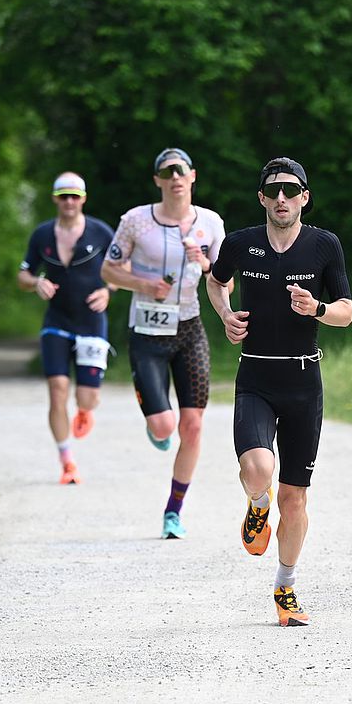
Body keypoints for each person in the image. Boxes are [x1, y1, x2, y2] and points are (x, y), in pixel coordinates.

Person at [207, 156, 352, 626]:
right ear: (263, 199)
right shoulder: (241, 244)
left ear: (305, 197)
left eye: (291, 190)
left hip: (303, 382)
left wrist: (318, 308)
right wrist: (226, 315)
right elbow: (215, 281)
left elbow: (347, 312)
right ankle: (255, 505)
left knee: (294, 501)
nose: (282, 198)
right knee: (258, 468)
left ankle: (285, 588)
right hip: (256, 376)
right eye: (274, 191)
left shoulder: (324, 246)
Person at [102, 147, 225, 539]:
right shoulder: (136, 221)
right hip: (148, 331)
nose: (174, 177)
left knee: (192, 428)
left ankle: (173, 511)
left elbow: (224, 279)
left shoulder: (210, 223)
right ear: (157, 180)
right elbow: (108, 268)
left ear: (193, 177)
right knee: (164, 425)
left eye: (181, 170)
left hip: (189, 328)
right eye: (166, 171)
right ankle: (156, 425)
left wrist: (206, 263)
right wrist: (142, 284)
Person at [17, 172, 115, 485]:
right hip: (56, 323)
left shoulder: (101, 232)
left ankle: (85, 410)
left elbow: (122, 269)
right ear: (55, 199)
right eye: (63, 196)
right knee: (57, 390)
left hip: (90, 323)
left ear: (83, 199)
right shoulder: (42, 235)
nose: (69, 202)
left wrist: (108, 290)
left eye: (75, 196)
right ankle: (67, 462)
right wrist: (37, 283)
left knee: (87, 398)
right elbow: (23, 275)